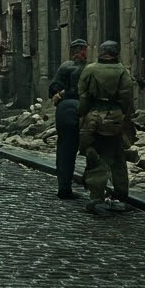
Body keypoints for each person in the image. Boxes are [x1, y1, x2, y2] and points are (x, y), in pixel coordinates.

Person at [77, 40, 136, 216]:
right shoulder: (122, 71)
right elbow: (127, 98)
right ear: (117, 53)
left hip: (93, 118)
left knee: (95, 157)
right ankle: (121, 195)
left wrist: (81, 115)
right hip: (115, 118)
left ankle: (96, 197)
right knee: (118, 157)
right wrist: (124, 116)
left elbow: (83, 97)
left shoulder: (89, 70)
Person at [48, 39, 88, 200]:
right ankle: (96, 190)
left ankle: (64, 187)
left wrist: (60, 94)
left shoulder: (65, 67)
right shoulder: (91, 68)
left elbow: (53, 89)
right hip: (85, 109)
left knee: (65, 149)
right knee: (94, 150)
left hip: (65, 108)